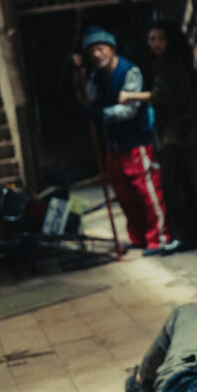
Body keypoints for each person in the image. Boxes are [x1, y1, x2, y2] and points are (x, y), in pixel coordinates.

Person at [73, 26, 171, 254]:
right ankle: (139, 238)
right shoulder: (97, 76)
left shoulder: (129, 71)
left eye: (101, 49)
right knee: (125, 196)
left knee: (147, 192)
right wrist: (80, 81)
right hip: (114, 146)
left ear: (112, 48)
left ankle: (159, 238)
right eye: (92, 51)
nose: (97, 55)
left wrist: (101, 115)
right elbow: (89, 99)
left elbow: (129, 110)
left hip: (136, 142)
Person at [119, 21, 197, 252]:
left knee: (173, 185)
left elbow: (161, 96)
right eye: (152, 39)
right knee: (184, 182)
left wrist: (130, 96)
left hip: (174, 134)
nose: (156, 44)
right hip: (179, 132)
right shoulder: (173, 62)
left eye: (161, 38)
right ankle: (196, 233)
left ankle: (184, 237)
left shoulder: (168, 64)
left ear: (170, 40)